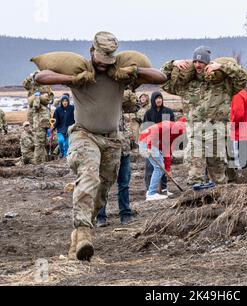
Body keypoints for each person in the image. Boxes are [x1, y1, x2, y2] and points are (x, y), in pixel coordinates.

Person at [34, 31, 167, 261]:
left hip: (112, 139)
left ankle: (80, 236)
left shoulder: (120, 75)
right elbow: (39, 77)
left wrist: (133, 71)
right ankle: (84, 232)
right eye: (100, 60)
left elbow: (160, 77)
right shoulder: (79, 71)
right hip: (85, 135)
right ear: (91, 52)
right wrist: (72, 80)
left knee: (103, 189)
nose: (104, 66)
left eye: (108, 61)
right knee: (89, 176)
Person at [162, 46, 247, 186]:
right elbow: (164, 83)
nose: (197, 65)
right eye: (195, 61)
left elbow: (242, 76)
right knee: (194, 171)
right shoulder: (187, 85)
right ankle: (195, 200)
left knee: (218, 170)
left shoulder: (224, 84)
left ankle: (220, 201)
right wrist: (172, 64)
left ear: (208, 63)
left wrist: (222, 66)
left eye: (201, 62)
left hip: (216, 131)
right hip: (195, 131)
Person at [96, 114, 134, 227]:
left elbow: (127, 130)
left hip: (124, 152)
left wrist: (130, 139)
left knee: (124, 184)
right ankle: (100, 217)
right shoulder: (103, 111)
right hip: (108, 152)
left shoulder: (123, 112)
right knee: (102, 184)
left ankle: (125, 214)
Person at [139, 118, 187, 201]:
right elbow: (154, 129)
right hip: (146, 141)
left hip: (150, 143)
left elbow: (167, 151)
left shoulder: (177, 134)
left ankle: (151, 191)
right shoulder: (170, 126)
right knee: (158, 167)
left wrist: (168, 170)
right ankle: (151, 193)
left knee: (160, 167)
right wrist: (149, 146)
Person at [142, 92, 175, 195]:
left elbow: (172, 126)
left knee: (164, 163)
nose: (159, 100)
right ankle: (149, 189)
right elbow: (145, 127)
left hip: (165, 140)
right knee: (150, 165)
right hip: (151, 141)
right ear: (153, 100)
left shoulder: (168, 112)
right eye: (156, 98)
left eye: (160, 98)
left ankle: (164, 188)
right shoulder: (148, 113)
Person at [32, 91, 52, 164]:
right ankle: (37, 162)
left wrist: (49, 128)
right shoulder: (39, 106)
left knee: (43, 145)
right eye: (45, 99)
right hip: (39, 128)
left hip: (45, 128)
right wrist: (37, 97)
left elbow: (48, 118)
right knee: (38, 145)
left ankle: (42, 161)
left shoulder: (46, 108)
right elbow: (35, 106)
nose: (47, 100)